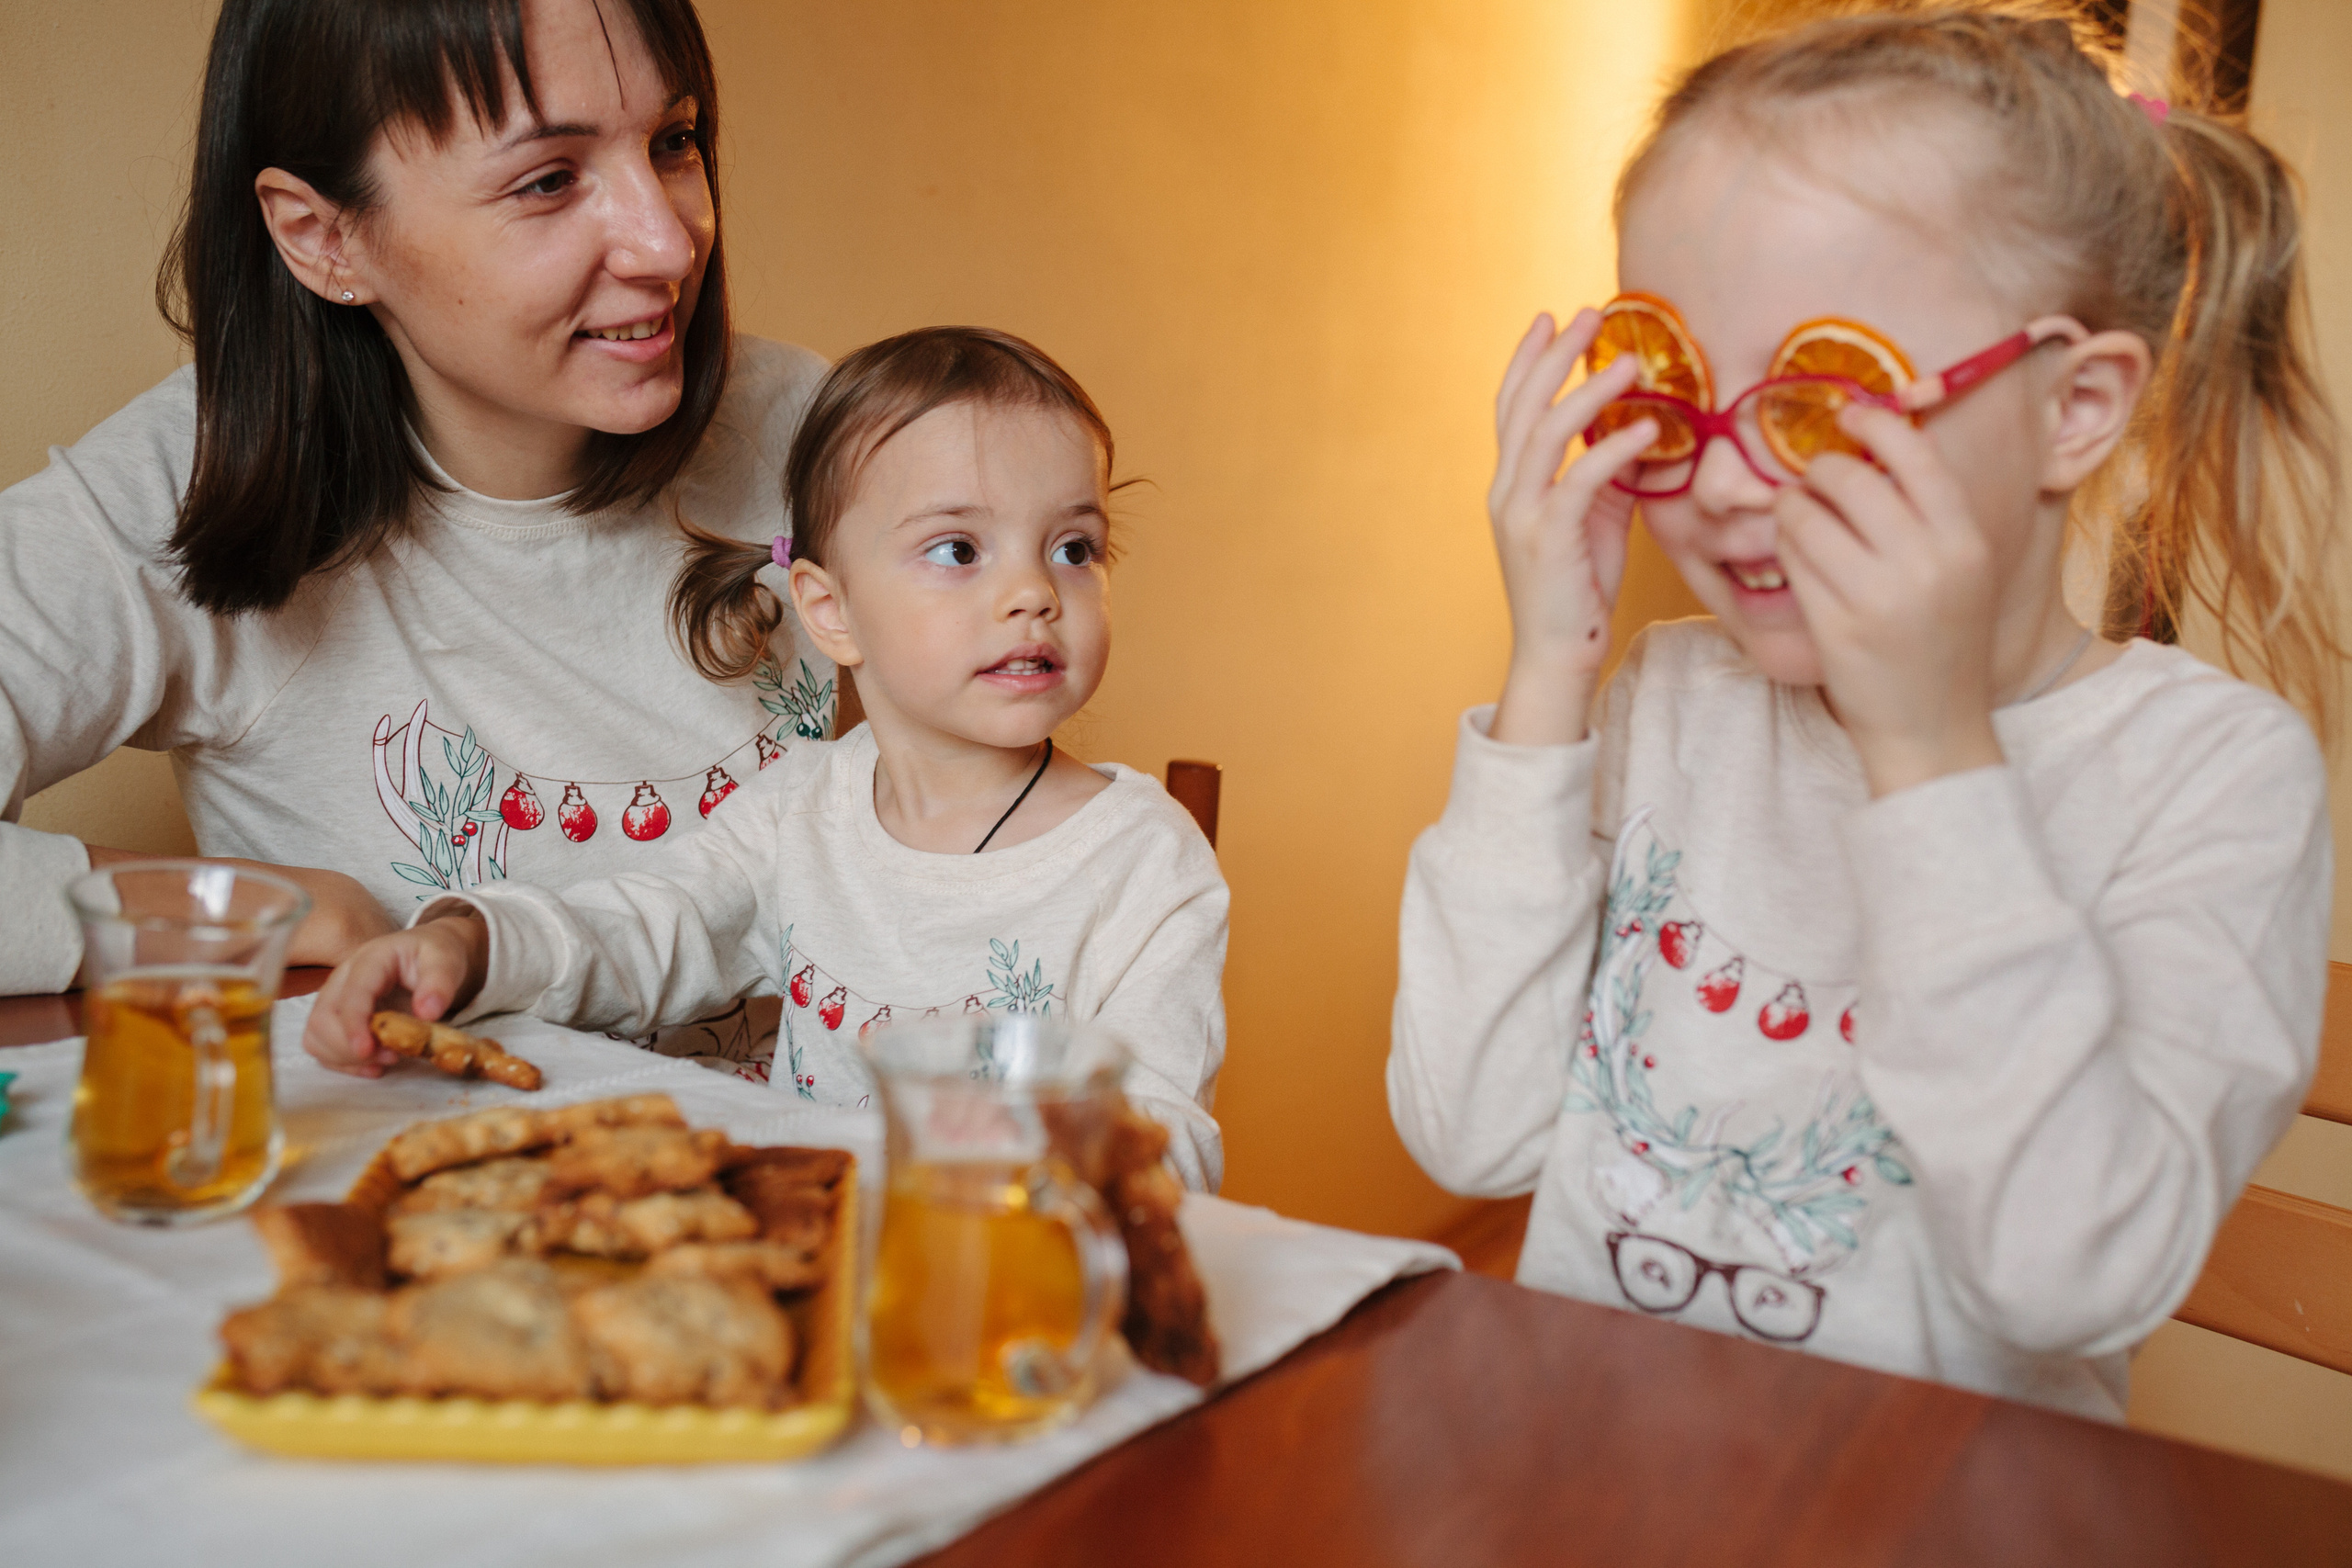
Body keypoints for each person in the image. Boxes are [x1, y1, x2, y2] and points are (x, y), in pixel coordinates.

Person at [1389, 6, 2338, 1419]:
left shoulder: (2214, 775)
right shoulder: (1664, 696)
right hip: (1599, 1473)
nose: (1716, 483)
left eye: (1823, 396)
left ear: (2075, 408)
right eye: (1674, 388)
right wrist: (1547, 679)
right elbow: (1473, 1134)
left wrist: (1929, 748)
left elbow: (2066, 1270)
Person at [0, 0, 842, 1042]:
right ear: (323, 237)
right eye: (548, 179)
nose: (670, 242)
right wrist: (259, 912)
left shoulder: (816, 433)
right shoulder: (181, 488)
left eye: (673, 142)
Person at [304, 327, 1230, 1190]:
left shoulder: (1145, 860)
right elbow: (644, 932)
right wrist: (469, 946)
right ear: (830, 613)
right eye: (958, 549)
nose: (1033, 592)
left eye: (1074, 548)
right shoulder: (798, 812)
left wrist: (1066, 1162)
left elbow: (1167, 1132)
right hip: (808, 1256)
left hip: (995, 1285)